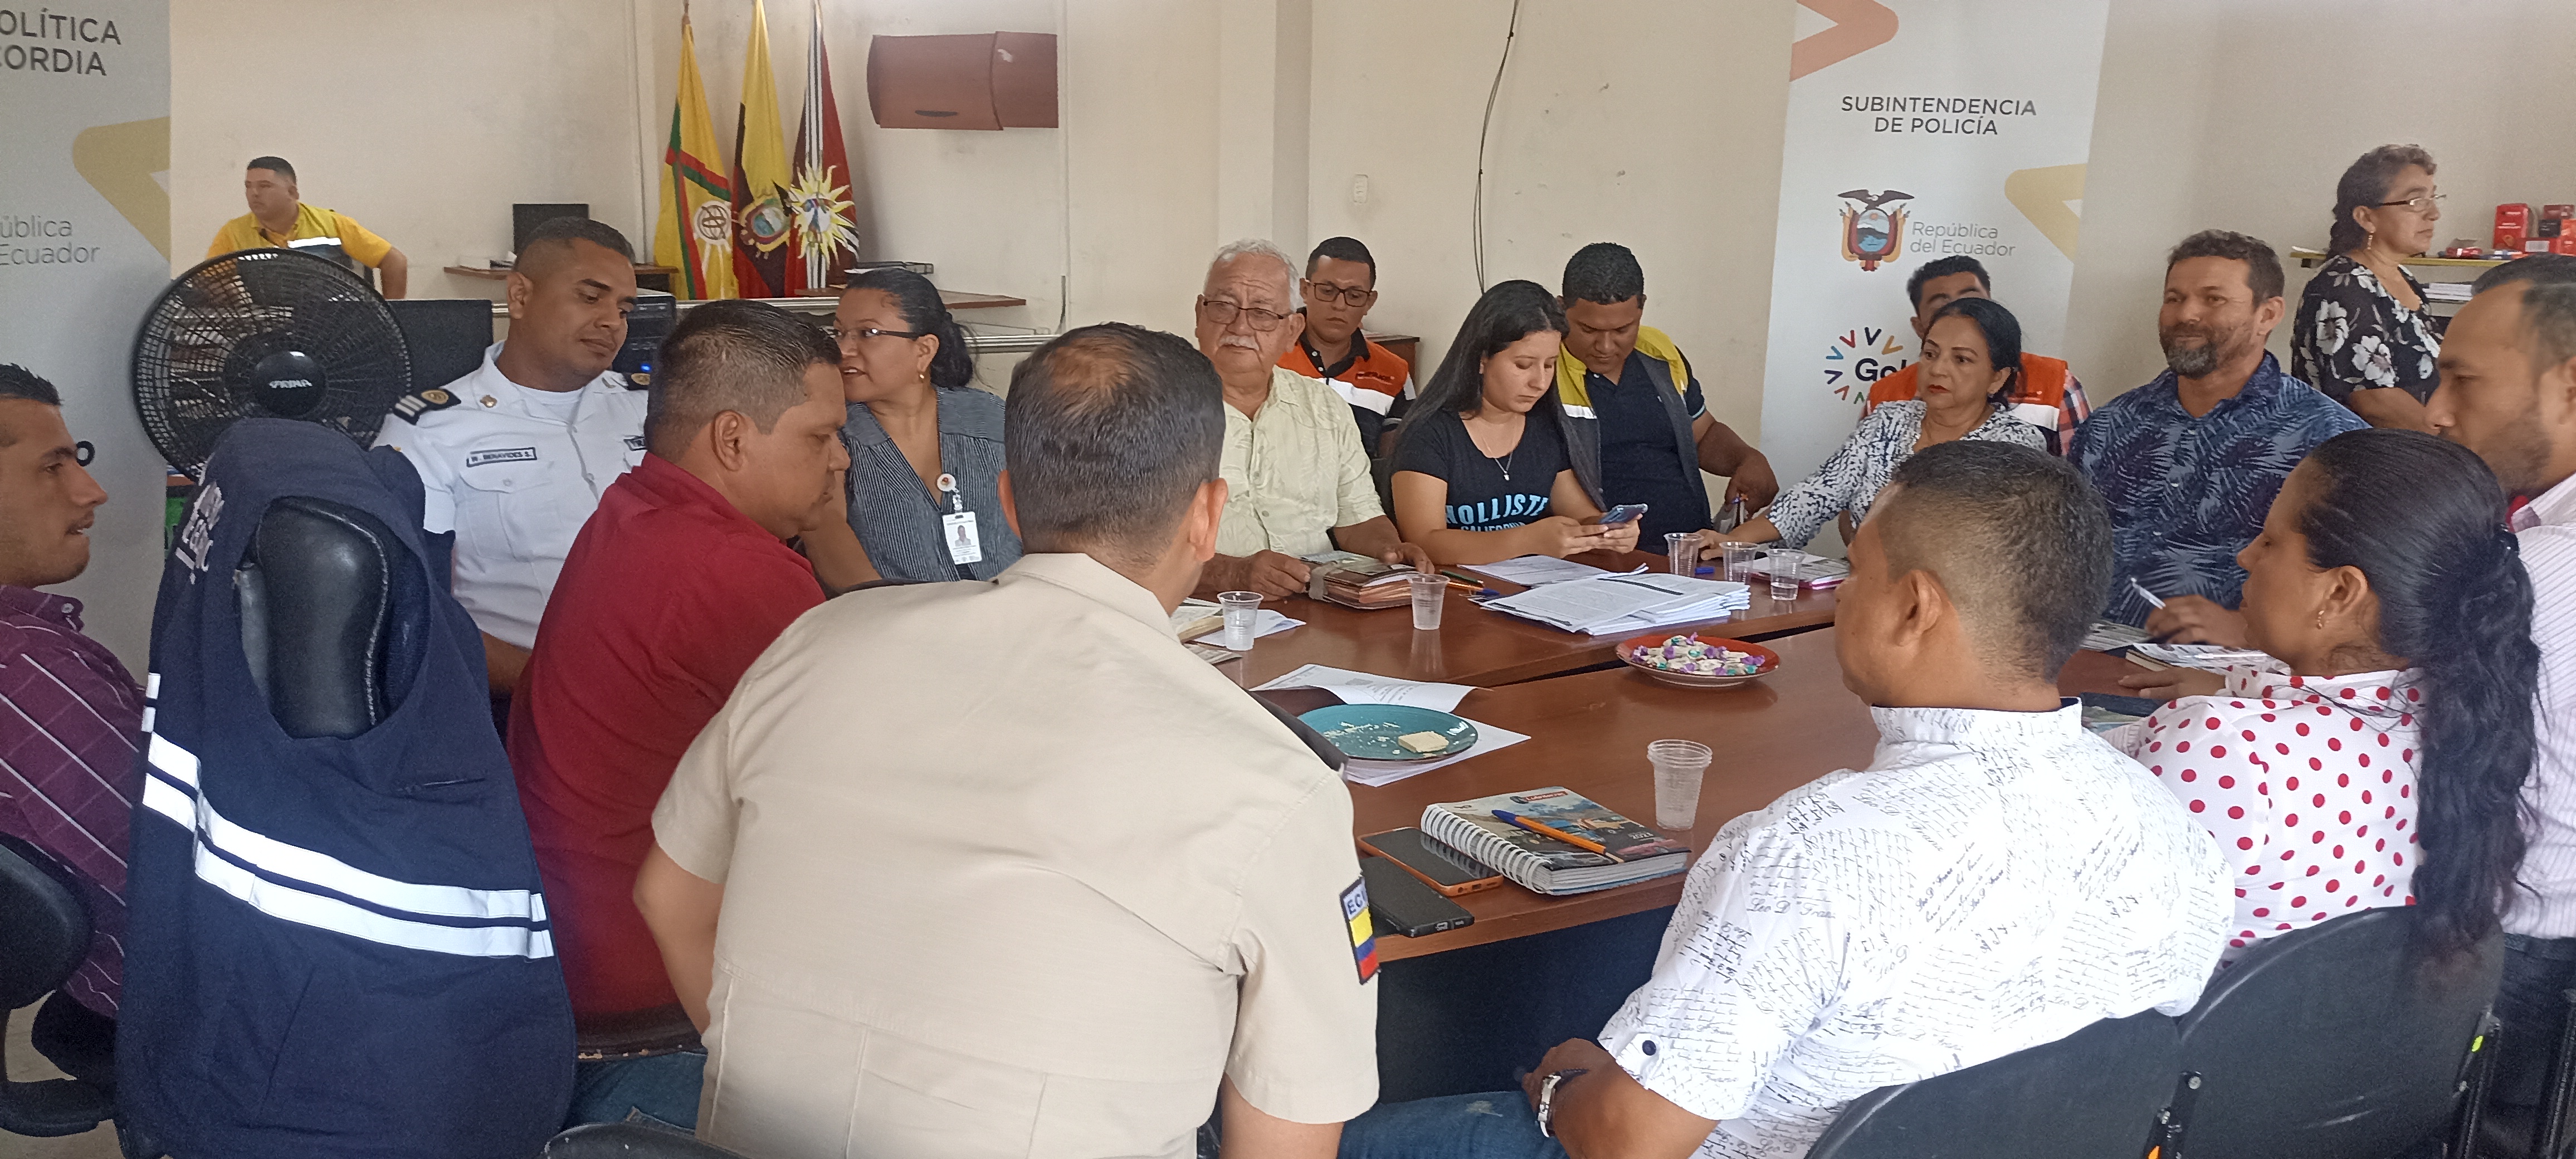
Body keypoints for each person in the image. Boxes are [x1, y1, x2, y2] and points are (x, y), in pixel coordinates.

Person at [1339, 441, 2230, 1159]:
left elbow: (1628, 1140)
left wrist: (1564, 1088)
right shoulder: (2170, 826)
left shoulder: (1808, 851)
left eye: (1859, 572)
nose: (1843, 595)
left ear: (1915, 608)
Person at [636, 323, 1378, 1159]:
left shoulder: (816, 642)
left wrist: (756, 1070)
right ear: (1208, 517)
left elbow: (669, 895)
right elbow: (1289, 1128)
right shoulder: (1278, 784)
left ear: (1009, 501)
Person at [506, 300, 863, 1131]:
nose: (841, 458)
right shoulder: (736, 570)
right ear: (733, 439)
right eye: (820, 436)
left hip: (567, 948)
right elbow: (875, 777)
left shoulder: (631, 508)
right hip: (659, 996)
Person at [2108, 429, 2534, 965]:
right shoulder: (2461, 716)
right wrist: (2232, 685)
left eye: (2270, 542)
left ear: (2339, 592)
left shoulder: (2222, 745)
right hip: (2345, 1018)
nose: (2245, 556)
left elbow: (2104, 946)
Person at [2422, 254, 2576, 1142]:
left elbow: (2391, 714)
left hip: (2522, 960)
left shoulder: (2542, 569)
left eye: (2464, 380)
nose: (2437, 412)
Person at [374, 217, 650, 697]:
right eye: (591, 297)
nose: (612, 322)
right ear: (520, 296)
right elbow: (414, 610)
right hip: (530, 699)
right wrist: (564, 691)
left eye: (624, 309)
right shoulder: (432, 432)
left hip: (678, 684)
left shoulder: (653, 411)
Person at [2075, 230, 2366, 627]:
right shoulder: (2111, 425)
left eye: (2213, 299)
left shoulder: (2331, 439)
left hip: (2239, 660)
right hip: (2088, 647)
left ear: (2268, 315)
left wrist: (2246, 633)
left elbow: (2354, 587)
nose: (2186, 315)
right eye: (2174, 299)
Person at [0, 364, 139, 1050]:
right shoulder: (25, 667)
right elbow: (163, 867)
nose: (92, 491)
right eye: (52, 466)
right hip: (160, 997)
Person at [1197, 238, 1431, 598]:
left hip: (1315, 607)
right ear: (1200, 315)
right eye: (1224, 306)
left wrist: (1391, 551)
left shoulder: (1326, 408)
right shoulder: (1149, 412)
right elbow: (1127, 550)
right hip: (1204, 614)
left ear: (1292, 330)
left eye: (1262, 313)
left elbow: (1359, 518)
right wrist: (1232, 573)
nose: (1240, 327)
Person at [1715, 296, 2043, 551]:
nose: (1938, 369)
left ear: (1998, 377)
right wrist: (1730, 543)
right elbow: (1816, 496)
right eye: (1930, 354)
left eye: (1961, 359)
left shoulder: (2014, 446)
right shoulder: (1889, 421)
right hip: (1867, 590)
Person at [1390, 281, 1637, 564]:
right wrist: (1527, 539)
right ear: (1482, 360)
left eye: (1549, 365)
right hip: (1458, 586)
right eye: (1523, 365)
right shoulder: (1430, 433)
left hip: (1532, 584)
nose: (1539, 382)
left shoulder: (1544, 429)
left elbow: (1581, 516)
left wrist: (1608, 531)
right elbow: (1424, 541)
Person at [1553, 242, 1777, 554]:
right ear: (1561, 309)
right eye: (1588, 330)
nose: (1605, 346)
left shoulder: (1659, 354)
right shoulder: (1542, 369)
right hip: (1601, 559)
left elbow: (1703, 434)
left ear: (1642, 307)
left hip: (1691, 552)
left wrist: (1747, 459)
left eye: (1622, 330)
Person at [831, 266, 1022, 582]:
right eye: (839, 333)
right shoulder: (832, 433)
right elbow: (828, 539)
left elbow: (1046, 524)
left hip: (1011, 605)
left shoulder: (988, 418)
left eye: (868, 333)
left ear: (924, 350)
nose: (843, 350)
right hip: (886, 610)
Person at [1861, 255, 2091, 455]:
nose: (1960, 317)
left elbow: (2083, 481)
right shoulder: (1885, 399)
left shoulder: (2056, 385)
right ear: (1921, 327)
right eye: (1942, 310)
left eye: (1962, 359)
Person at [2293, 145, 2447, 431]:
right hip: (2373, 453)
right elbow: (2375, 402)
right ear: (2366, 218)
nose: (2434, 213)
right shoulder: (2342, 286)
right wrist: (2458, 446)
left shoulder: (2403, 277)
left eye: (2433, 198)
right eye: (2416, 201)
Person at [1282, 236, 1414, 455]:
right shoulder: (1269, 355)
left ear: (1369, 302)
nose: (1340, 305)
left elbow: (1394, 462)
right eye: (1327, 291)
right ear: (1304, 290)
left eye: (1354, 295)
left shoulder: (1394, 372)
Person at [206, 156, 409, 297]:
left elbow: (395, 262)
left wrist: (393, 317)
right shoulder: (233, 232)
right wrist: (230, 296)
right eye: (248, 186)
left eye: (265, 186)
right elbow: (207, 280)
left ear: (292, 192)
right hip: (271, 331)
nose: (254, 193)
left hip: (341, 328)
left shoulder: (332, 224)